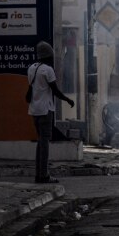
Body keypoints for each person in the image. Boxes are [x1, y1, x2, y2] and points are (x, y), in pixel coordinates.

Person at [27, 41, 74, 183]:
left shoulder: (31, 68)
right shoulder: (47, 70)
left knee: (40, 142)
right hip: (45, 110)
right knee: (45, 143)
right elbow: (55, 91)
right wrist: (67, 100)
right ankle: (44, 175)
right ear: (48, 56)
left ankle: (38, 174)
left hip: (34, 110)